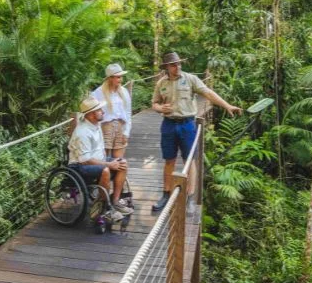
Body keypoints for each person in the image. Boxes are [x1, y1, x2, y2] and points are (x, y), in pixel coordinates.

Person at [151, 52, 241, 211]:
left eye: (179, 63)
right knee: (169, 160)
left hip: (187, 124)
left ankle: (190, 197)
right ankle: (166, 194)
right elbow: (154, 103)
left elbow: (208, 93)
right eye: (173, 64)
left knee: (190, 160)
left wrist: (227, 105)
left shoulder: (190, 79)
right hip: (169, 124)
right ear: (166, 67)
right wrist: (160, 108)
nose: (177, 66)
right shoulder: (161, 83)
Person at [68, 96, 134, 218]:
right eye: (100, 110)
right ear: (92, 114)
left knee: (122, 163)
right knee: (106, 170)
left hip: (97, 161)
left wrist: (111, 162)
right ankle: (105, 207)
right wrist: (109, 164)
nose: (103, 112)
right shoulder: (82, 132)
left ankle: (115, 201)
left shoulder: (95, 125)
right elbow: (85, 160)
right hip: (79, 166)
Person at [91, 63, 132, 159]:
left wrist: (126, 132)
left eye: (121, 77)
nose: (120, 79)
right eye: (118, 77)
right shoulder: (98, 93)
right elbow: (92, 113)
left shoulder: (124, 92)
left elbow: (128, 113)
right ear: (110, 78)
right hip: (105, 127)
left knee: (119, 160)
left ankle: (119, 174)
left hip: (120, 127)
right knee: (103, 159)